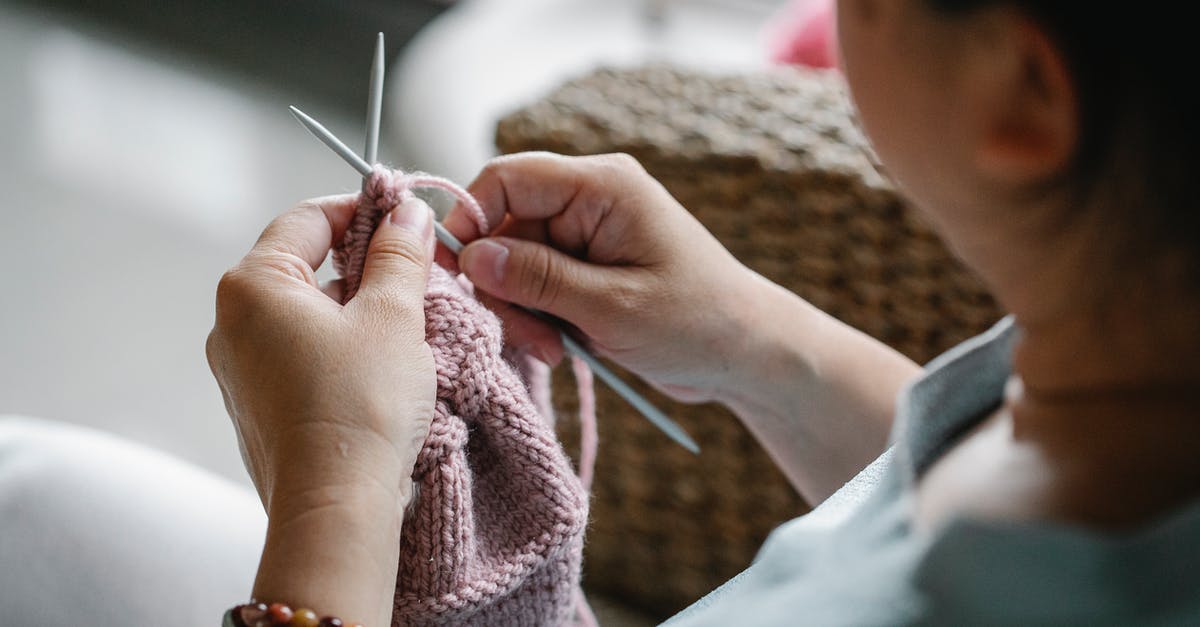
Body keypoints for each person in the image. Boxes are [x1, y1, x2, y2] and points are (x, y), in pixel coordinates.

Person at [3, 0, 1196, 624]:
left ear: (1025, 90)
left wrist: (332, 493)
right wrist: (755, 343)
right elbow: (942, 488)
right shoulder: (1125, 379)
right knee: (31, 500)